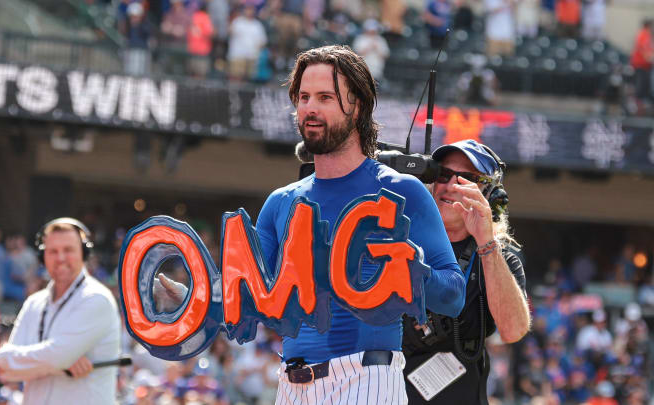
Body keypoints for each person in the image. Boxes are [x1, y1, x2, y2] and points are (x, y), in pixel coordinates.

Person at [156, 45, 466, 404]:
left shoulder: (401, 190)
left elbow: (454, 296)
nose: (310, 108)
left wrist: (413, 272)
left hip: (367, 379)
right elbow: (254, 298)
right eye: (303, 97)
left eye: (325, 97)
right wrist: (199, 299)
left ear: (358, 107)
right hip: (291, 384)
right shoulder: (280, 203)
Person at [402, 139, 530, 404]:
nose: (450, 186)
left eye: (466, 179)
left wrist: (486, 243)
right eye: (443, 175)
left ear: (489, 194)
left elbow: (513, 330)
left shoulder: (500, 258)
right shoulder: (400, 238)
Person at [0, 218, 121, 405]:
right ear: (42, 256)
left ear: (84, 253)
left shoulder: (97, 298)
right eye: (53, 251)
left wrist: (20, 360)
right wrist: (59, 365)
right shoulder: (33, 303)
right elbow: (6, 369)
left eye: (68, 250)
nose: (60, 257)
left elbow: (54, 357)